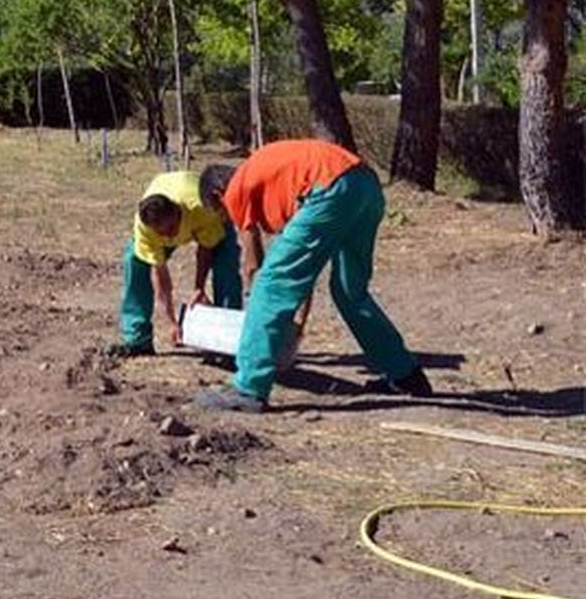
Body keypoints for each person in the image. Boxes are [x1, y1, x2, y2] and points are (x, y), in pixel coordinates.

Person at [194, 138, 431, 413]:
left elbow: (254, 265)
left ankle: (249, 387)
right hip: (364, 184)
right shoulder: (268, 176)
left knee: (270, 285)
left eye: (220, 213)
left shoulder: (237, 188)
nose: (227, 217)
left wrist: (255, 307)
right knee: (349, 291)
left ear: (217, 195)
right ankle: (405, 374)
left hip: (330, 188)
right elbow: (303, 267)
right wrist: (298, 319)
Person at [112, 170, 242, 357]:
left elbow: (205, 250)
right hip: (173, 202)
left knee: (226, 263)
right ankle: (138, 339)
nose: (169, 236)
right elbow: (160, 275)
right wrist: (171, 322)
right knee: (134, 260)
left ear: (177, 211)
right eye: (161, 233)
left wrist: (199, 288)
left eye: (171, 228)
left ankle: (228, 340)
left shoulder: (201, 207)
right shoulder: (145, 228)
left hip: (210, 217)